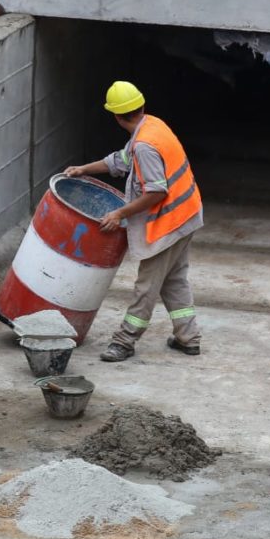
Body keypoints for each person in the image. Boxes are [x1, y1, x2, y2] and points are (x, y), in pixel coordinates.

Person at [64, 81, 203, 362]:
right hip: (187, 214)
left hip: (168, 225)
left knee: (146, 288)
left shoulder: (145, 146)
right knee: (174, 280)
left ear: (115, 116)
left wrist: (119, 213)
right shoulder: (153, 126)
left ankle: (124, 341)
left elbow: (156, 191)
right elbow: (121, 160)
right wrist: (84, 169)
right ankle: (188, 338)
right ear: (141, 106)